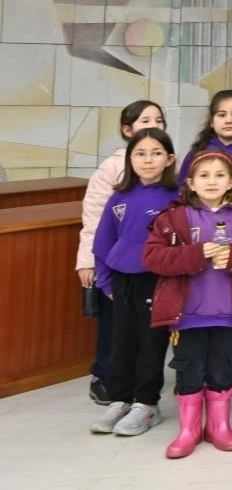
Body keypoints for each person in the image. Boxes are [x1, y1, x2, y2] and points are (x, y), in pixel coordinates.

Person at [143, 151, 232, 458]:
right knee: (189, 368)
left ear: (231, 181)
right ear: (190, 183)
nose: (211, 181)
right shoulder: (174, 217)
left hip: (226, 312)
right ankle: (188, 430)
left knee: (222, 368)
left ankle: (219, 427)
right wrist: (195, 254)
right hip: (187, 314)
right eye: (203, 175)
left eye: (219, 175)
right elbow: (152, 257)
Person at [89, 127, 181, 438]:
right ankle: (121, 399)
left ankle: (147, 403)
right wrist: (106, 282)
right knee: (122, 342)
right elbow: (103, 243)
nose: (148, 160)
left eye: (156, 153)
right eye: (140, 153)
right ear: (130, 159)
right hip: (122, 281)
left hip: (158, 280)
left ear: (169, 159)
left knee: (150, 343)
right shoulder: (120, 197)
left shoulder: (178, 197)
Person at [78, 100, 168, 405]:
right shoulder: (113, 172)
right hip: (118, 270)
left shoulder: (171, 176)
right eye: (146, 121)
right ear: (127, 130)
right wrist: (90, 264)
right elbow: (96, 223)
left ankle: (143, 398)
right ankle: (107, 382)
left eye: (159, 120)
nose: (154, 125)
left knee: (149, 339)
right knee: (116, 333)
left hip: (154, 274)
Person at [179, 90, 232, 184]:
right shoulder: (198, 151)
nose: (228, 120)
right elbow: (183, 187)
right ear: (211, 121)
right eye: (221, 115)